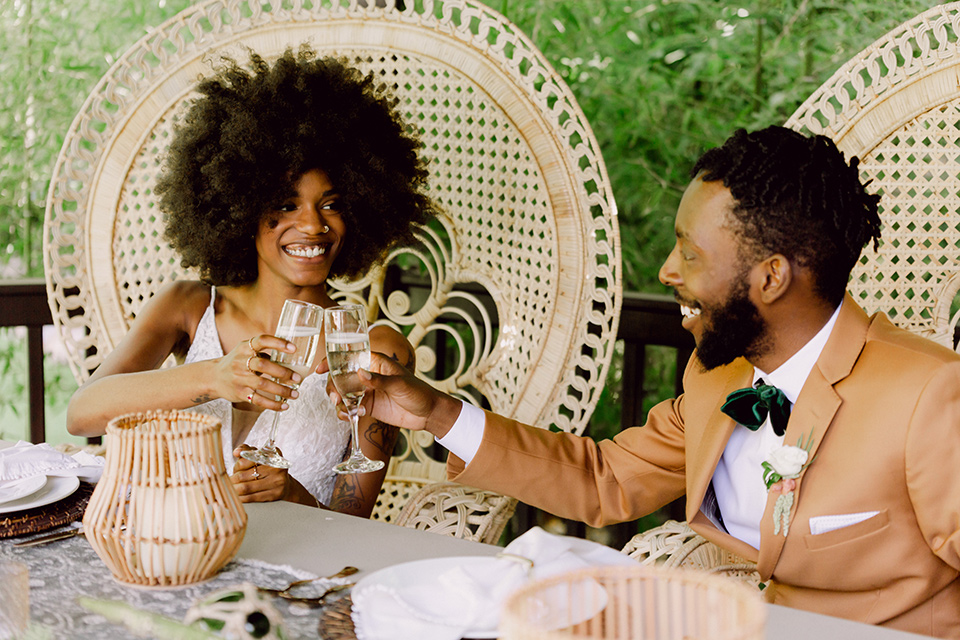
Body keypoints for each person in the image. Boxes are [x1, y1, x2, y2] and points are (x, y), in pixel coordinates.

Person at [324, 127, 960, 637]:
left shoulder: (929, 395)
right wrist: (435, 413)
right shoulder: (720, 379)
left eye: (689, 252)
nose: (666, 269)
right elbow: (603, 480)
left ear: (770, 279)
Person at [66, 48, 435, 518]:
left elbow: (354, 519)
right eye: (285, 204)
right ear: (238, 205)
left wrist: (296, 498)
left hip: (292, 574)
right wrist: (216, 376)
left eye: (332, 203)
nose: (313, 226)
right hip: (174, 550)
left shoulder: (376, 350)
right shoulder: (189, 306)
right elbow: (82, 414)